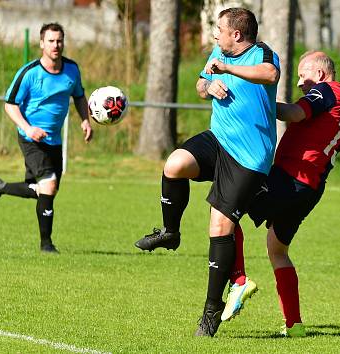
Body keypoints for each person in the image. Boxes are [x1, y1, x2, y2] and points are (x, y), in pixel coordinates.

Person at [133, 8, 280, 337]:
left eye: (219, 30)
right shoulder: (219, 51)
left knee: (220, 225)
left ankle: (211, 311)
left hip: (249, 157)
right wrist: (208, 87)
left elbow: (270, 76)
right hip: (219, 140)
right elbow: (201, 83)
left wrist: (227, 69)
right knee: (174, 165)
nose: (215, 35)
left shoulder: (263, 54)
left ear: (237, 35)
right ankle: (170, 233)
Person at [224, 51, 340, 337]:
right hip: (311, 188)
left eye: (302, 74)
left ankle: (239, 280)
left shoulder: (325, 91)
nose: (298, 83)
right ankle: (294, 325)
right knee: (277, 249)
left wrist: (262, 101)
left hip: (292, 178)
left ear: (319, 74)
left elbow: (295, 114)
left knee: (225, 207)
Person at [0, 23, 92, 253]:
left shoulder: (72, 70)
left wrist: (85, 120)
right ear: (42, 43)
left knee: (44, 190)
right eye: (51, 41)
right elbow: (10, 105)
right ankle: (46, 245)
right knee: (48, 185)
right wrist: (29, 128)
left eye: (59, 40)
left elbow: (80, 97)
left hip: (54, 140)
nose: (56, 45)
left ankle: (0, 187)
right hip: (30, 138)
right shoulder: (29, 73)